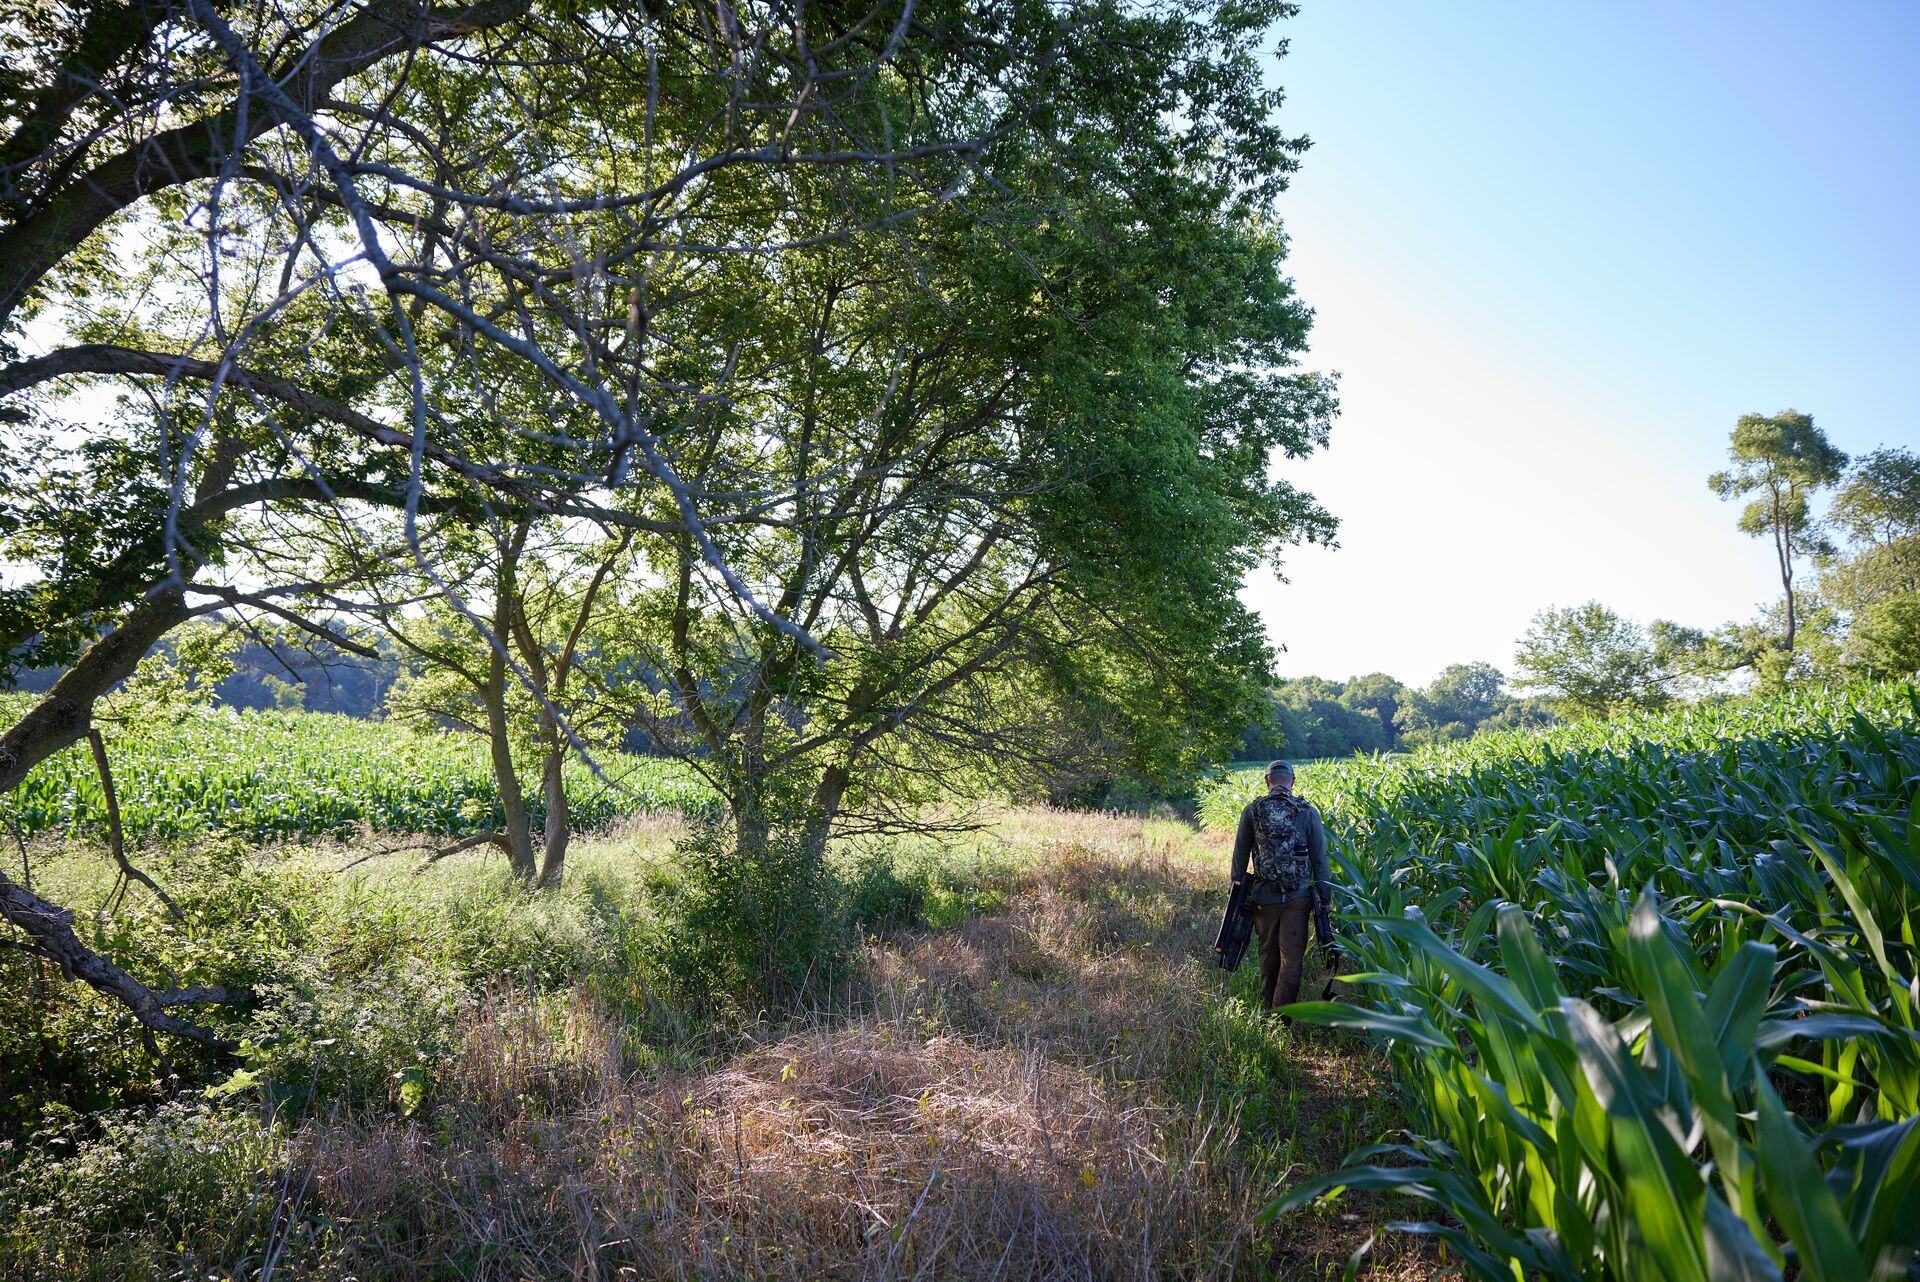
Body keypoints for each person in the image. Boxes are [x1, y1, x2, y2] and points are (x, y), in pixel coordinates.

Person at [1229, 760, 1337, 1011]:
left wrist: (1235, 894)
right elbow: (1320, 860)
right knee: (1292, 959)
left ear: (1267, 781)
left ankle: (1269, 1007)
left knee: (1267, 956)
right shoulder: (1308, 812)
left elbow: (1240, 857)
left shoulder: (1252, 810)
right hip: (1297, 898)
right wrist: (1325, 897)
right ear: (1293, 780)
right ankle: (1281, 1018)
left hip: (1263, 898)